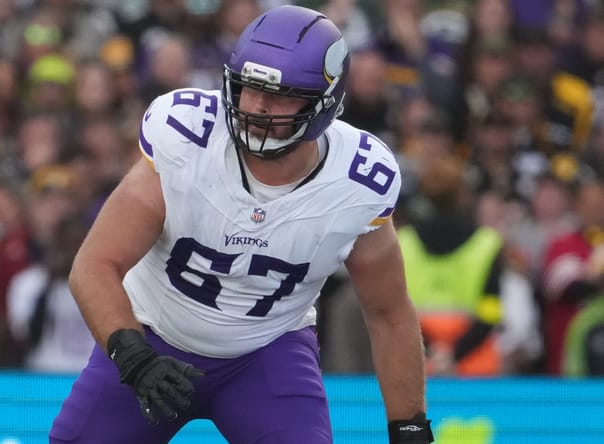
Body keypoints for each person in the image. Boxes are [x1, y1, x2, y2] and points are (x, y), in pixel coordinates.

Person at [50, 5, 433, 444]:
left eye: (281, 94)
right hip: (152, 335)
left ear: (324, 103)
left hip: (266, 353)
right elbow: (95, 265)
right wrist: (133, 358)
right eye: (249, 87)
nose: (257, 106)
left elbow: (388, 312)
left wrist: (410, 427)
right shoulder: (187, 137)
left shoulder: (357, 181)